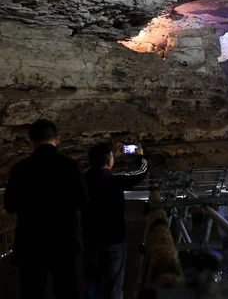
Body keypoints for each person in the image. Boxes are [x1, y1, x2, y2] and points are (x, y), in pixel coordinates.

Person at [4, 119, 88, 299]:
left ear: (32, 141)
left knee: (32, 291)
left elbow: (10, 205)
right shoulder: (70, 166)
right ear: (57, 139)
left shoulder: (20, 169)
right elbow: (83, 201)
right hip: (63, 240)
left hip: (30, 242)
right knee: (67, 289)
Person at [81, 142, 148, 299]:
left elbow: (90, 170)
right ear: (110, 162)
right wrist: (140, 156)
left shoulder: (83, 180)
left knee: (92, 284)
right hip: (113, 240)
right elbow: (140, 173)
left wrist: (109, 157)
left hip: (90, 240)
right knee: (113, 285)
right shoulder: (115, 180)